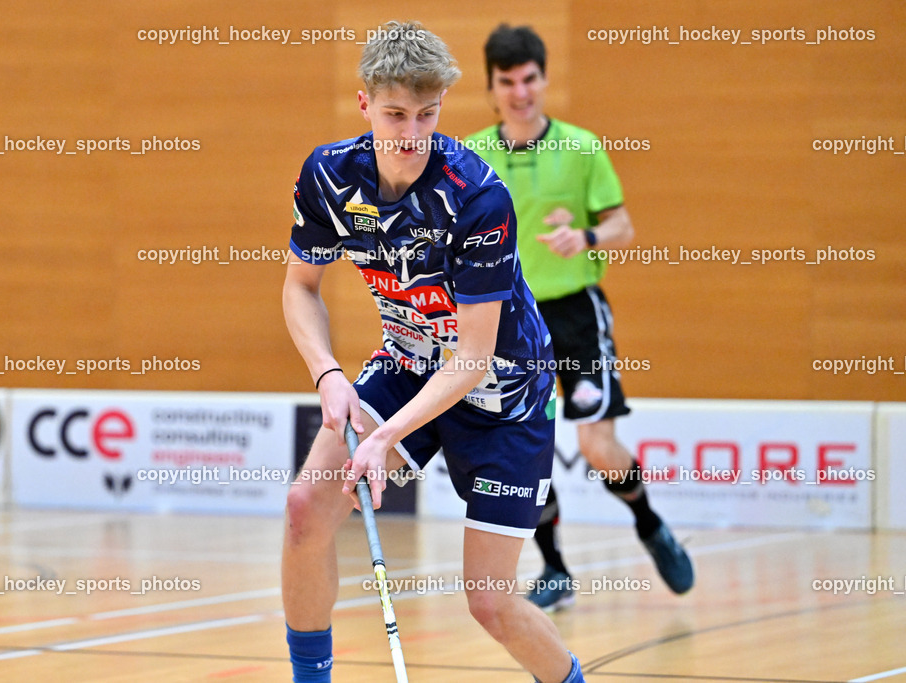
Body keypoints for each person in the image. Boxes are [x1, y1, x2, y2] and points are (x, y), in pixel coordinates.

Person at [282, 20, 585, 683]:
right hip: (409, 360)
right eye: (395, 114)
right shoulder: (330, 177)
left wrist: (383, 435)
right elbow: (301, 287)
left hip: (505, 392)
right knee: (307, 508)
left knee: (491, 602)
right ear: (364, 104)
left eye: (428, 114)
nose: (412, 133)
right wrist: (329, 373)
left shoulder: (477, 198)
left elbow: (473, 358)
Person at [465, 24, 694, 611]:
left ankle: (647, 522)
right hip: (508, 320)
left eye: (530, 79)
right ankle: (556, 566)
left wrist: (586, 235)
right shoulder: (469, 157)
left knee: (596, 444)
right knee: (525, 448)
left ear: (544, 79)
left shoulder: (583, 147)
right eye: (507, 82)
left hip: (575, 314)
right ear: (492, 88)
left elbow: (623, 226)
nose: (520, 92)